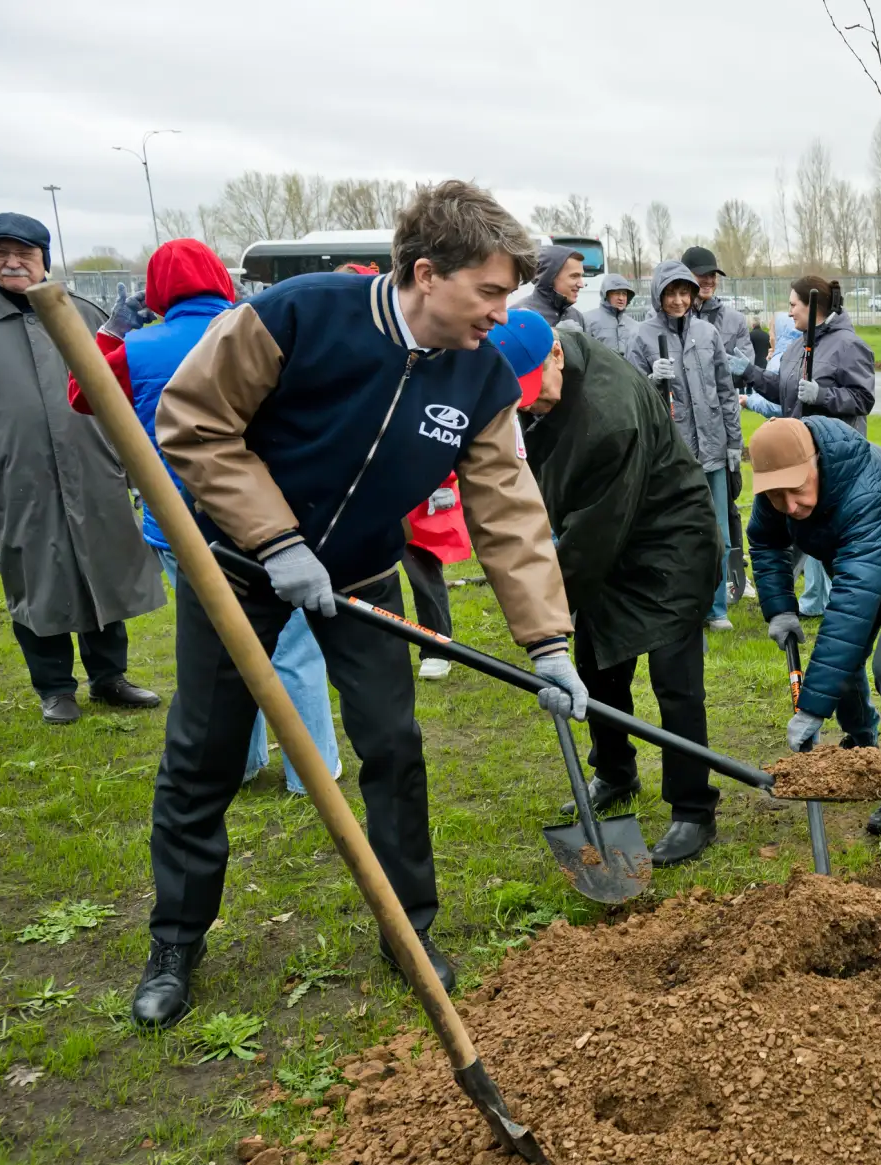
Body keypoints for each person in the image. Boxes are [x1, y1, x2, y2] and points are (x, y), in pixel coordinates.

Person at [132, 180, 588, 1027]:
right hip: (237, 565)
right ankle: (176, 942)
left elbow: (509, 509)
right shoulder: (301, 317)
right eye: (488, 292)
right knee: (204, 752)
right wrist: (273, 539)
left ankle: (408, 930)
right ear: (426, 273)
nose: (501, 312)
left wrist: (548, 643)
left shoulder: (482, 377)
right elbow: (194, 422)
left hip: (363, 576)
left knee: (395, 748)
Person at [66, 237, 343, 793]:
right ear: (222, 277)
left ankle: (240, 763)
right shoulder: (262, 328)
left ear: (156, 290)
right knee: (291, 648)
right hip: (267, 518)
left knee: (220, 650)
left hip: (178, 522)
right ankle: (313, 770)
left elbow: (81, 393)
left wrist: (113, 331)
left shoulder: (137, 348)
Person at [513, 311, 725, 863]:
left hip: (670, 544)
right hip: (612, 533)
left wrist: (544, 616)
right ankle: (615, 773)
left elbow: (591, 537)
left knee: (675, 683)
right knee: (595, 665)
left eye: (535, 392)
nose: (531, 405)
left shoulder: (609, 415)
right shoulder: (556, 369)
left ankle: (693, 809)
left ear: (556, 354)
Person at [0, 212, 166, 724]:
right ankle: (55, 687)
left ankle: (110, 677)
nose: (12, 262)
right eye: (0, 254)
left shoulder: (81, 314)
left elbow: (116, 395)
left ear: (44, 259)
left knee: (100, 569)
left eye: (24, 254)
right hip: (15, 477)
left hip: (92, 469)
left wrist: (133, 468)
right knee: (35, 578)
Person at [748, 416, 881, 834]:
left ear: (816, 464)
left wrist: (812, 708)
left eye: (796, 490)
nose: (790, 506)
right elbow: (766, 540)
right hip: (870, 564)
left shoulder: (863, 491)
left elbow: (851, 605)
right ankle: (862, 747)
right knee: (843, 665)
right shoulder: (777, 485)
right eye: (777, 496)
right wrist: (780, 608)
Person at [742, 278, 876, 618]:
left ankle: (846, 602)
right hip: (796, 457)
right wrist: (748, 373)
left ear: (813, 307)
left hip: (832, 463)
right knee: (793, 530)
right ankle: (793, 600)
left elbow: (863, 398)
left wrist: (823, 396)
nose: (789, 312)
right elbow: (782, 390)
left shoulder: (848, 345)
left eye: (792, 305)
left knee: (829, 538)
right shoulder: (797, 346)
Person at [626, 259, 739, 632]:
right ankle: (680, 602)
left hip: (713, 451)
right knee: (675, 532)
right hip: (671, 454)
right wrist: (647, 377)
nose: (678, 300)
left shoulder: (707, 334)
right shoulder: (642, 336)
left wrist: (733, 443)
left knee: (718, 531)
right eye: (671, 293)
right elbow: (629, 396)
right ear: (659, 295)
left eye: (684, 292)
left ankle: (716, 606)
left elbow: (725, 391)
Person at [683, 247, 753, 610]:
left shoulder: (733, 320)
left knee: (729, 502)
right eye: (701, 274)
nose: (708, 280)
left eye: (712, 275)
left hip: (721, 425)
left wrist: (710, 359)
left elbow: (745, 367)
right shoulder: (670, 315)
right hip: (685, 428)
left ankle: (734, 574)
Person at [403, 474, 469, 680]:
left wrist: (440, 480)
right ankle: (379, 650)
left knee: (422, 571)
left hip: (416, 497)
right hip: (367, 491)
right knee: (371, 577)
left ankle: (436, 648)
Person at [522, 244, 586, 331]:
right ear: (549, 277)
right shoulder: (521, 315)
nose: (581, 284)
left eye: (581, 276)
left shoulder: (576, 316)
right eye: (574, 276)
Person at [583, 272, 641, 355]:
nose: (621, 298)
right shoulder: (587, 320)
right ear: (606, 295)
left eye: (624, 294)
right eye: (617, 293)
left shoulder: (634, 325)